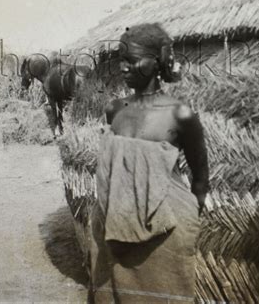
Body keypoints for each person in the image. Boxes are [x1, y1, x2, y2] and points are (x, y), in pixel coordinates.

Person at [89, 23, 209, 303]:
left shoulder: (179, 114)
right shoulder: (115, 110)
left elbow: (200, 175)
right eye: (121, 61)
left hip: (166, 228)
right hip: (115, 225)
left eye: (132, 60)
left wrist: (185, 217)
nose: (124, 68)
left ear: (157, 63)